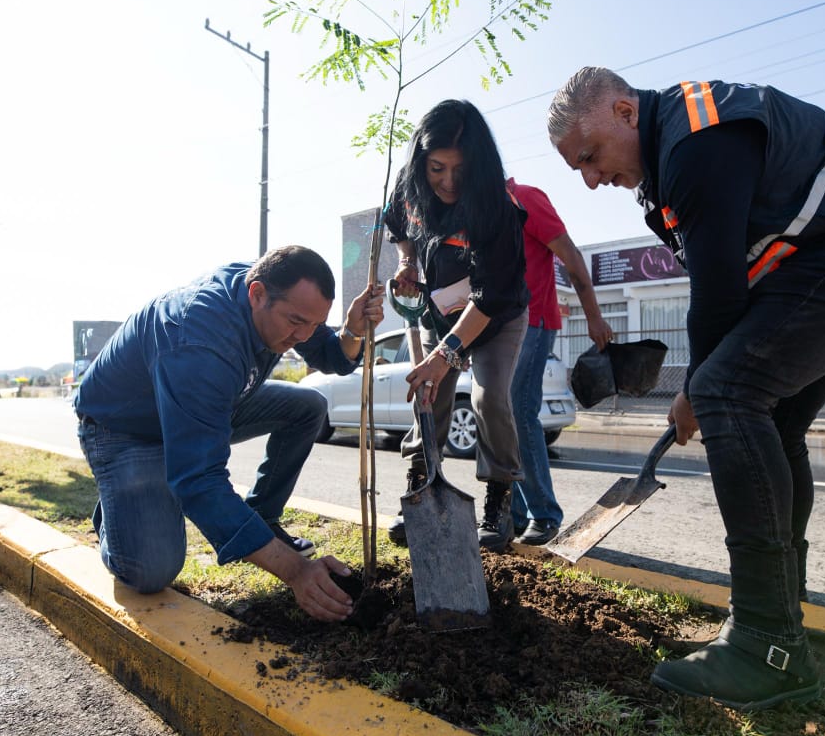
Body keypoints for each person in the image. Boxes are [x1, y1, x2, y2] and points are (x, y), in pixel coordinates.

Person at [548, 68, 825, 710]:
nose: (593, 179)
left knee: (729, 395)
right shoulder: (663, 173)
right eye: (580, 171)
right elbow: (736, 275)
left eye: (591, 157)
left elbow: (718, 296)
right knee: (773, 419)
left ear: (625, 112)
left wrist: (698, 390)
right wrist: (709, 381)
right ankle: (779, 616)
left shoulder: (695, 141)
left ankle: (766, 644)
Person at [74, 246, 385, 622]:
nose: (303, 337)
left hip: (207, 403)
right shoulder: (200, 341)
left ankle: (261, 517)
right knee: (150, 571)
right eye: (295, 322)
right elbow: (198, 481)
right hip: (127, 429)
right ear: (257, 294)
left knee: (309, 407)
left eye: (313, 325)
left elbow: (334, 356)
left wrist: (352, 328)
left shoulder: (276, 294)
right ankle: (119, 507)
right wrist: (295, 570)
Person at [382, 99, 530, 551]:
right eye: (437, 168)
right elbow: (399, 229)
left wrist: (446, 355)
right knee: (429, 396)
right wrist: (408, 263)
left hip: (495, 317)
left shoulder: (497, 210)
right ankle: (420, 489)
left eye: (460, 170)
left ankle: (498, 504)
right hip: (438, 311)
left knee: (488, 399)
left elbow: (489, 298)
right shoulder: (409, 190)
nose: (448, 181)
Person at [506, 178, 610, 545]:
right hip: (500, 330)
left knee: (520, 412)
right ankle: (514, 514)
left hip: (534, 322)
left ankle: (544, 514)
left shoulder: (527, 199)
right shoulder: (479, 213)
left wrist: (594, 317)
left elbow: (571, 256)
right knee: (503, 419)